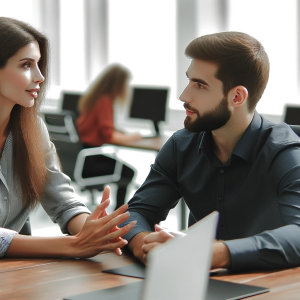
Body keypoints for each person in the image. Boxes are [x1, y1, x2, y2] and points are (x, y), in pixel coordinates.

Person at [120, 31, 300, 271]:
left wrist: (213, 253)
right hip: (195, 283)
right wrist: (146, 246)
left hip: (272, 286)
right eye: (189, 80)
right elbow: (137, 212)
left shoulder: (284, 153)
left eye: (200, 85)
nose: (184, 96)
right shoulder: (180, 145)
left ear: (236, 97)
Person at [0, 17, 136, 259]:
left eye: (39, 64)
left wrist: (97, 231)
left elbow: (62, 201)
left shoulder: (32, 129)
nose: (40, 77)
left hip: (19, 273)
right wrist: (72, 245)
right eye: (25, 65)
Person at [76, 64, 142, 210]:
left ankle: (118, 211)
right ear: (118, 84)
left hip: (81, 156)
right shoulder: (104, 101)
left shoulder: (94, 98)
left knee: (124, 170)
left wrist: (117, 131)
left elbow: (98, 128)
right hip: (90, 160)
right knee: (128, 173)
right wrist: (133, 137)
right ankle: (118, 213)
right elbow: (109, 137)